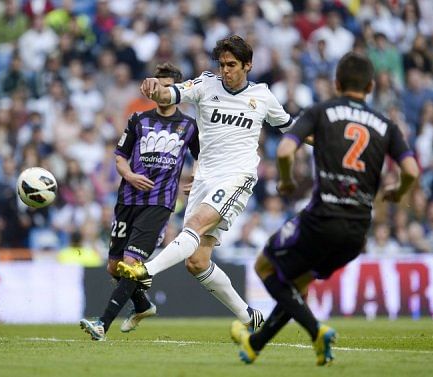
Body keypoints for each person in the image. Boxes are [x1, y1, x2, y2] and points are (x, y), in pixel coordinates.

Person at [229, 52, 419, 366]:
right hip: (357, 232)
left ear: (336, 83)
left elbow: (287, 150)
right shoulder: (386, 125)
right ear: (370, 86)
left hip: (322, 217)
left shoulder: (321, 111)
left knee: (265, 266)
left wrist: (287, 182)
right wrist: (397, 192)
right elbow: (411, 170)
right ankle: (254, 345)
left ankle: (317, 330)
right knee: (297, 285)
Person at [118, 35, 305, 332]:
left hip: (238, 176)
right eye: (222, 65)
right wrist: (156, 89)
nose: (225, 71)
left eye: (232, 65)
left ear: (248, 65)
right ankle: (249, 317)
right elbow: (170, 96)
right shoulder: (206, 85)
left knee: (194, 224)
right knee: (196, 262)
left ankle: (144, 270)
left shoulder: (263, 96)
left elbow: (290, 128)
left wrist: (323, 139)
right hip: (205, 178)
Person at [80, 62, 200, 340]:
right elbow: (120, 156)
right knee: (114, 266)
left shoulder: (188, 125)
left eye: (169, 87)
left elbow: (201, 157)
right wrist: (130, 175)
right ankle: (143, 305)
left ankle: (102, 324)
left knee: (131, 262)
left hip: (159, 203)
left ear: (178, 91)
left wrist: (195, 176)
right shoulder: (138, 119)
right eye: (159, 86)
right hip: (128, 199)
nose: (164, 92)